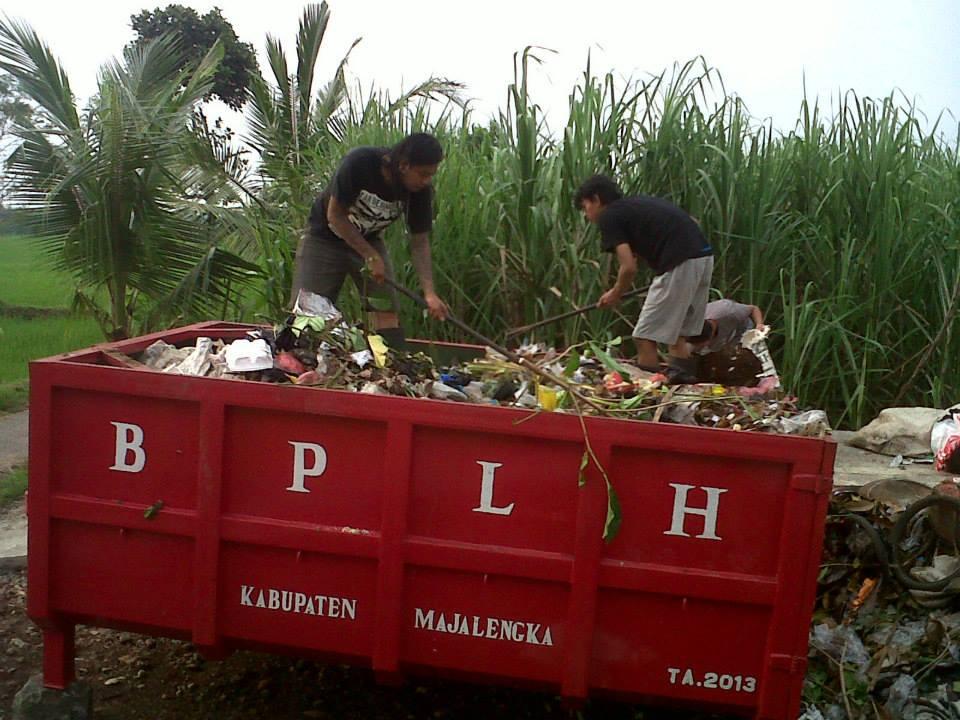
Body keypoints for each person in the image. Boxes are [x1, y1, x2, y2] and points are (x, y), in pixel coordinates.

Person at [290, 133, 449, 346]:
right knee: (307, 313)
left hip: (368, 239)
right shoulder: (360, 163)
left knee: (385, 308)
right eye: (422, 174)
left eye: (431, 175)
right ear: (403, 165)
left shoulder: (420, 192)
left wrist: (430, 294)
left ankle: (392, 364)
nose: (426, 181)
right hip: (324, 239)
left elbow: (420, 243)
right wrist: (371, 256)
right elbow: (335, 216)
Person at [575, 174, 713, 383]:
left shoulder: (609, 216)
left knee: (644, 336)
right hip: (703, 258)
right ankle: (682, 389)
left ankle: (649, 392)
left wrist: (615, 293)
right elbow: (690, 221)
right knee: (678, 336)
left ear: (596, 199)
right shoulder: (636, 205)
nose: (587, 215)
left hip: (680, 262)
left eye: (585, 207)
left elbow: (629, 267)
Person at [686, 299, 765, 355]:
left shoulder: (731, 311)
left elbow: (753, 309)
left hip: (741, 329)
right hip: (720, 338)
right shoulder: (692, 320)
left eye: (701, 345)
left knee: (740, 354)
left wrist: (759, 324)